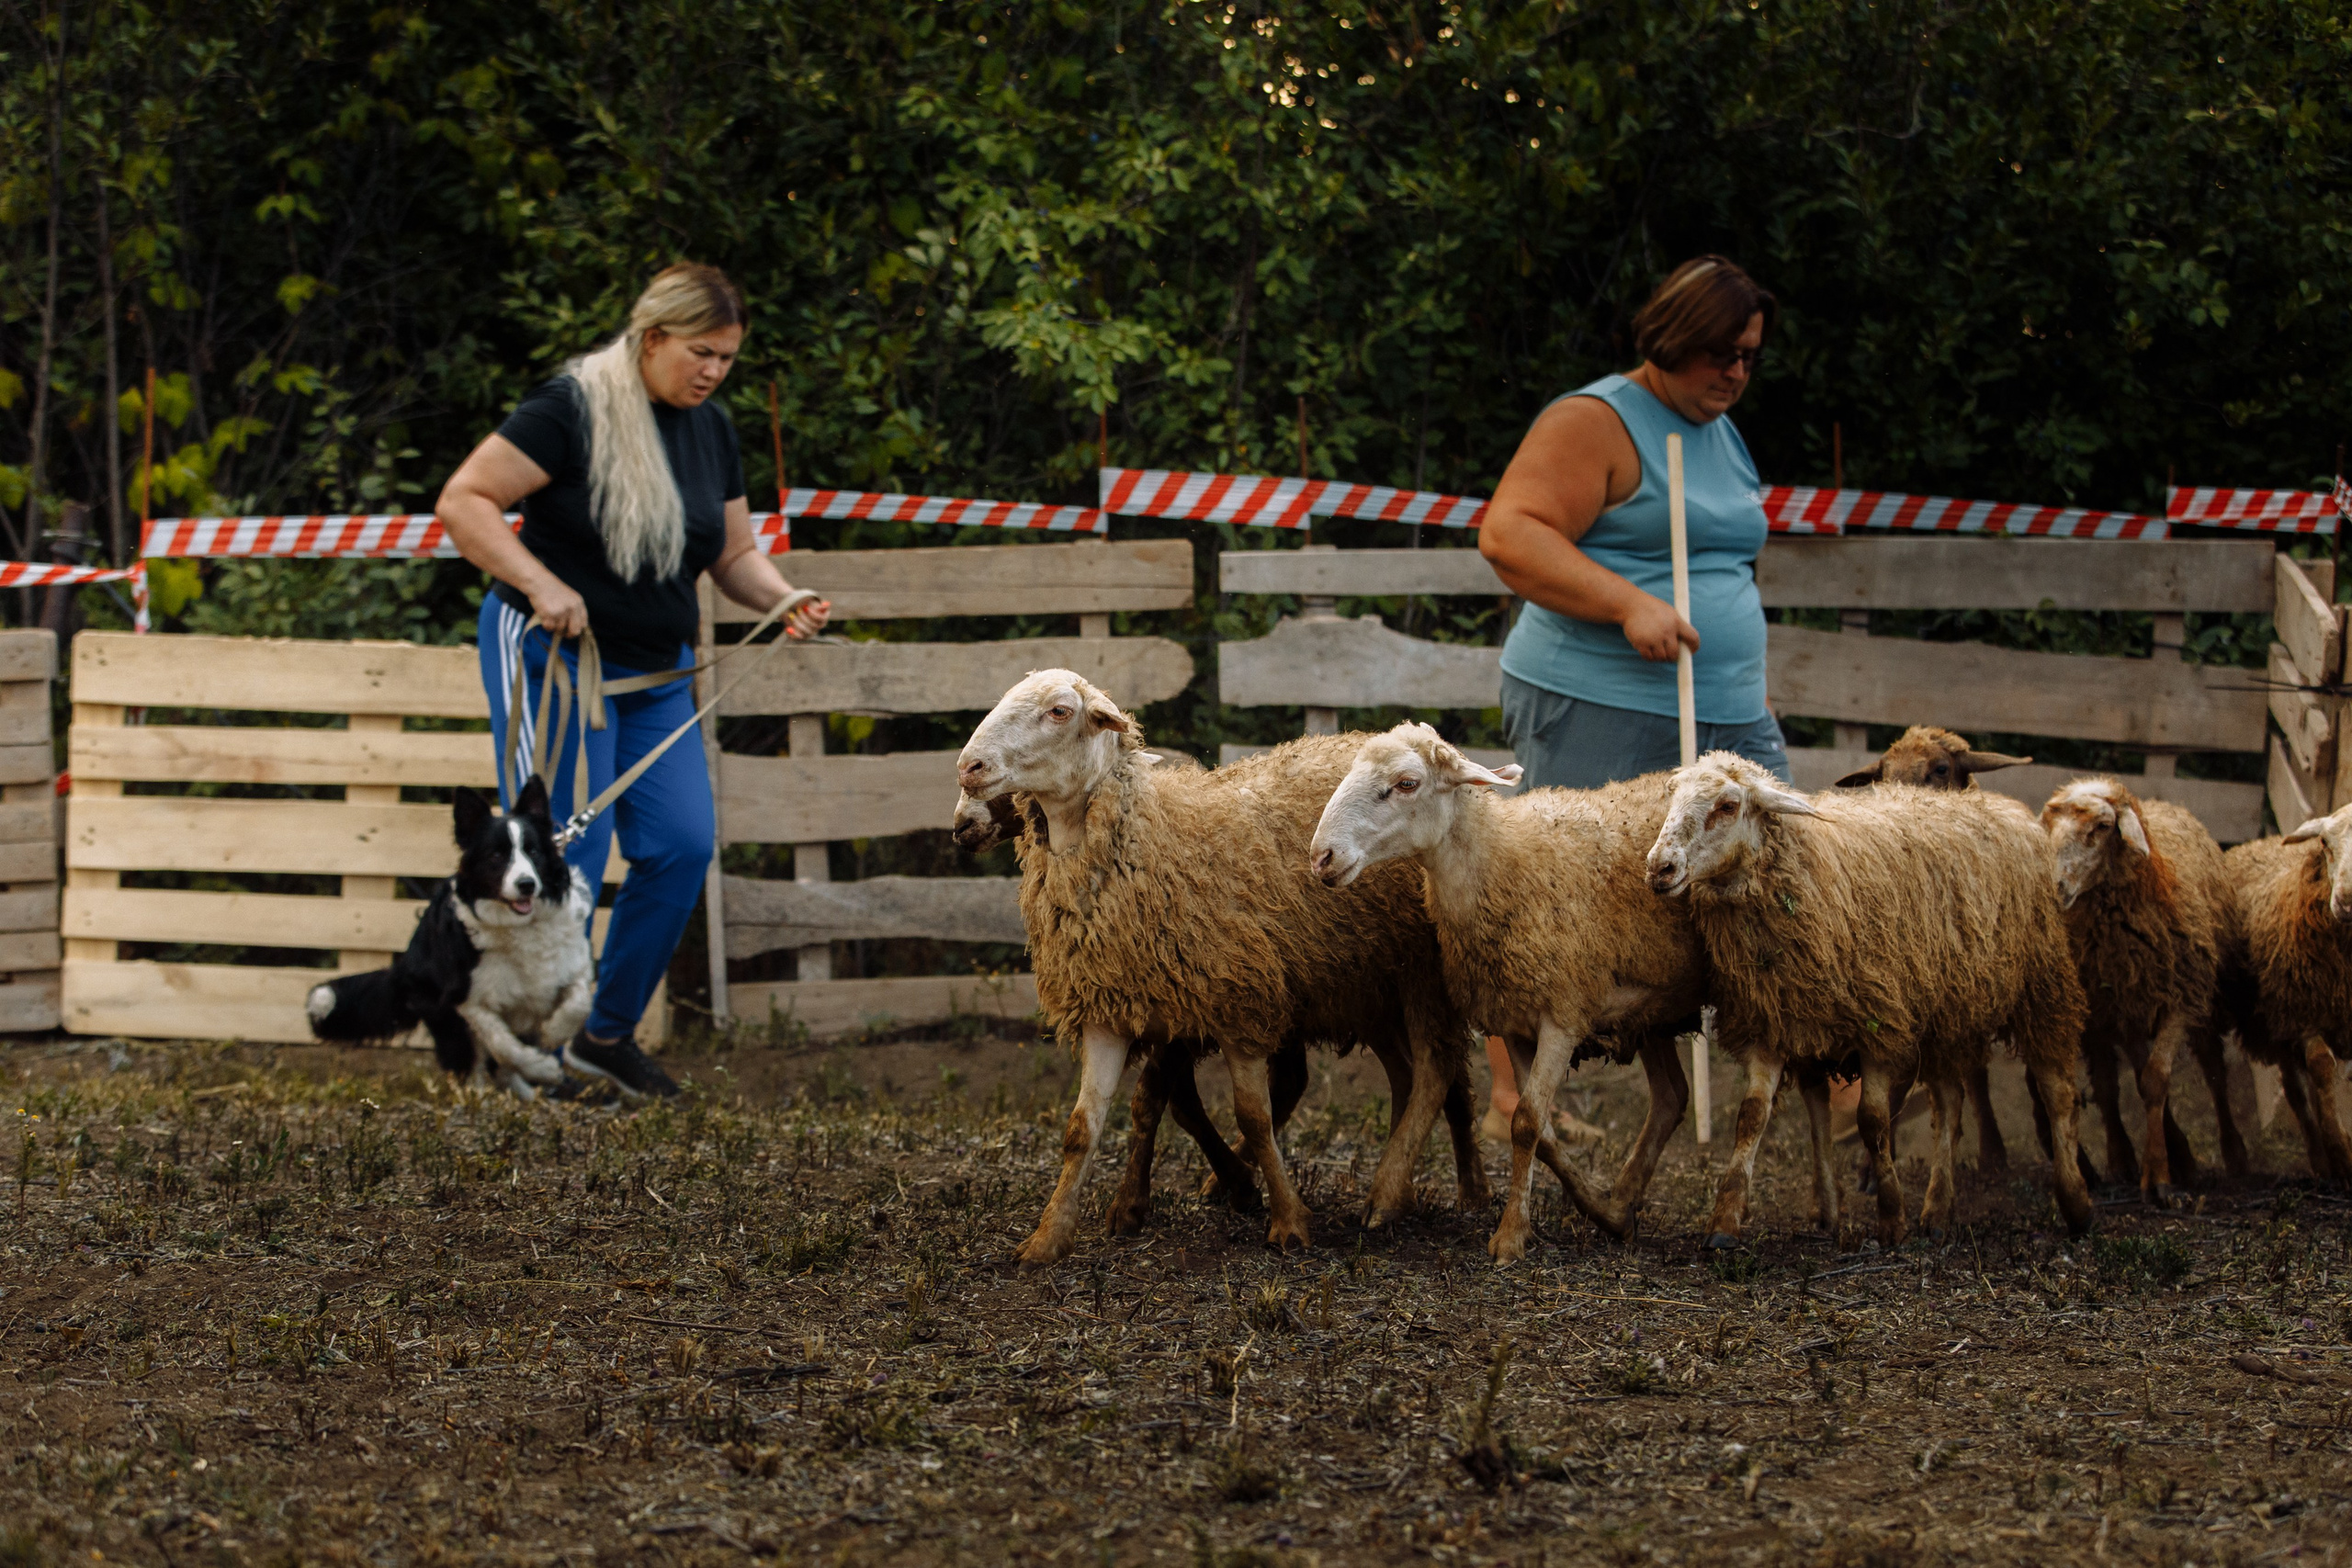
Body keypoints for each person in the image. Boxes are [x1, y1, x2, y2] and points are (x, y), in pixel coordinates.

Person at [436, 263, 830, 1097]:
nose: (714, 370)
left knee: (682, 845)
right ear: (652, 339)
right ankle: (525, 1055)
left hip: (655, 673)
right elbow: (464, 501)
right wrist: (541, 582)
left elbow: (733, 554)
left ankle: (601, 1035)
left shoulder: (711, 428)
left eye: (727, 357)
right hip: (556, 658)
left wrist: (782, 597)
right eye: (700, 352)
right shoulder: (570, 408)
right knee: (560, 857)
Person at [1471, 254, 1785, 1141]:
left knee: (1782, 870)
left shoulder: (1719, 427)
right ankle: (1512, 1097)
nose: (1736, 371)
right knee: (1549, 886)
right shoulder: (1595, 420)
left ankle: (1836, 1070)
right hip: (1597, 692)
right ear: (1673, 339)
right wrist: (1626, 603)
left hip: (1726, 703)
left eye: (1750, 355)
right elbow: (1510, 535)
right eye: (1720, 352)